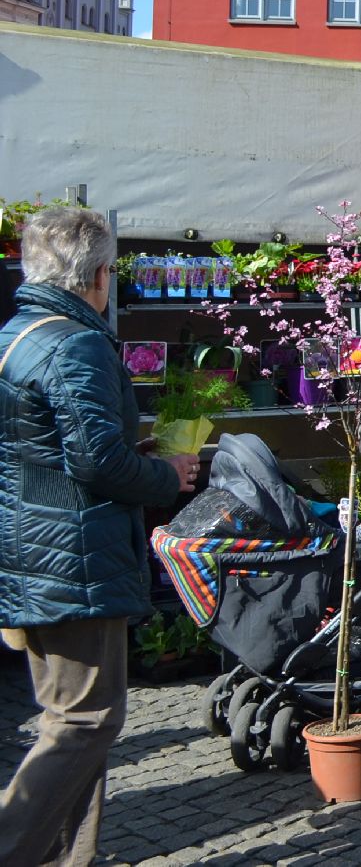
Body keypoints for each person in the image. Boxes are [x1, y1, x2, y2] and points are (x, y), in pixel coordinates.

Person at [0, 207, 197, 867]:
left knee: (77, 718)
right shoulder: (74, 342)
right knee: (84, 722)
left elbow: (51, 447)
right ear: (96, 275)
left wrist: (127, 449)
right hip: (73, 557)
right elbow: (95, 462)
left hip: (36, 550)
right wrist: (164, 473)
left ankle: (67, 858)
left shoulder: (19, 333)